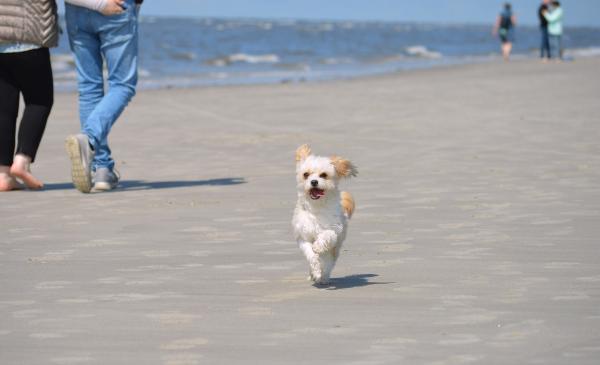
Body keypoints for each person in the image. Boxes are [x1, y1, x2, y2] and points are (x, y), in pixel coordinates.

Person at [64, 0, 143, 193]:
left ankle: (102, 169)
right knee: (123, 84)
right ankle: (89, 139)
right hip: (115, 7)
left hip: (77, 9)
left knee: (89, 87)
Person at [0, 0, 59, 191]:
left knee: (4, 110)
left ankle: (3, 174)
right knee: (39, 101)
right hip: (30, 39)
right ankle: (22, 162)